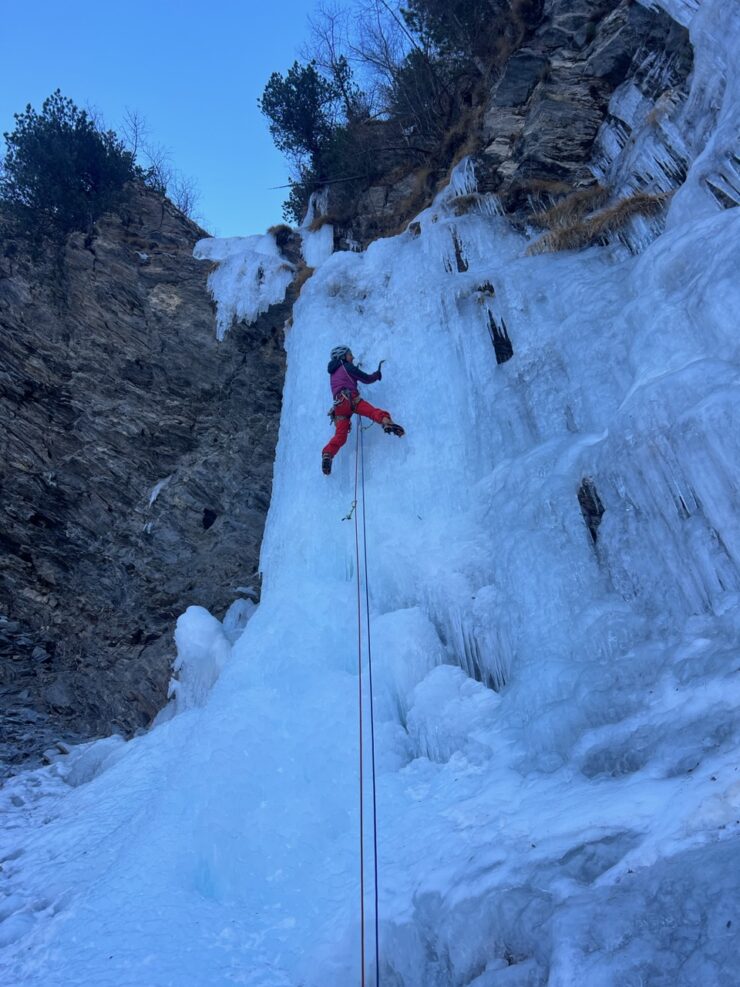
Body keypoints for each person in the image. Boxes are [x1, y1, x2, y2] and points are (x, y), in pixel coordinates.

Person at [321, 345, 404, 475]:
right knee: (372, 412)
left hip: (339, 407)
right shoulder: (346, 366)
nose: (352, 357)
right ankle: (387, 422)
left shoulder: (333, 372)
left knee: (340, 436)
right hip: (351, 399)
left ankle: (327, 454)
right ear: (343, 356)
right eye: (350, 354)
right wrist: (377, 375)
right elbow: (366, 378)